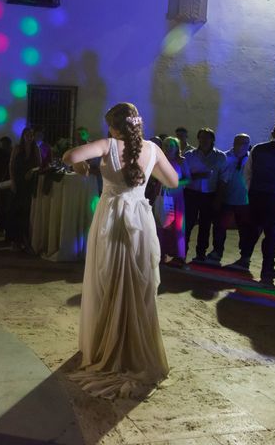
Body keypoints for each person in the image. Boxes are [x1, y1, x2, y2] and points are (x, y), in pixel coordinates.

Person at [63, 102, 179, 399]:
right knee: (138, 282)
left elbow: (70, 155)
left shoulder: (107, 144)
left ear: (113, 126)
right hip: (140, 219)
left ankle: (108, 346)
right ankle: (134, 348)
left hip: (112, 220)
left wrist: (79, 166)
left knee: (108, 280)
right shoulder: (153, 148)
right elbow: (173, 181)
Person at [238, 122, 275, 279]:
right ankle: (267, 268)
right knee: (271, 234)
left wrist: (251, 191)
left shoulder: (257, 148)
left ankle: (244, 258)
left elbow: (247, 174)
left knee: (252, 228)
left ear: (272, 132)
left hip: (256, 195)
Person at [183, 128, 228, 261]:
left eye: (207, 138)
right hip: (191, 193)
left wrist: (218, 199)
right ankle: (181, 252)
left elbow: (223, 179)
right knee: (187, 225)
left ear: (213, 139)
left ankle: (201, 253)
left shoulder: (220, 157)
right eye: (201, 137)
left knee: (205, 225)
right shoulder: (189, 155)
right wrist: (197, 175)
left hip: (209, 195)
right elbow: (182, 176)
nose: (204, 140)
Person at [207, 134, 251, 263]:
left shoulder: (251, 159)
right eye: (240, 142)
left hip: (244, 200)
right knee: (220, 227)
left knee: (244, 229)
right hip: (225, 198)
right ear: (234, 142)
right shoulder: (224, 157)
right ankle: (217, 251)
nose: (243, 146)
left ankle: (245, 255)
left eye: (246, 143)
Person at [157, 137, 190, 268]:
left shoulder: (182, 161)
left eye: (172, 145)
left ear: (177, 148)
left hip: (176, 197)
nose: (169, 148)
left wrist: (173, 183)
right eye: (166, 145)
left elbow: (188, 179)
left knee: (177, 226)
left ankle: (178, 256)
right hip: (163, 196)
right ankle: (161, 253)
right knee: (162, 225)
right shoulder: (159, 160)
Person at [7, 127, 41, 251]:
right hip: (18, 182)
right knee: (15, 211)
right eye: (27, 134)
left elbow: (39, 165)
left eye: (31, 135)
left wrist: (32, 171)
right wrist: (12, 182)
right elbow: (11, 165)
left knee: (26, 212)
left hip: (29, 183)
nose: (29, 137)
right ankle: (15, 241)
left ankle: (25, 241)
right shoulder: (17, 148)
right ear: (23, 136)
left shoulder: (35, 149)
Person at [0, 136, 13, 233]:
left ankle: (0, 225)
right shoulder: (9, 153)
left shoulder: (0, 153)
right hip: (5, 182)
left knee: (1, 205)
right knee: (4, 205)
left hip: (1, 182)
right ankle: (2, 225)